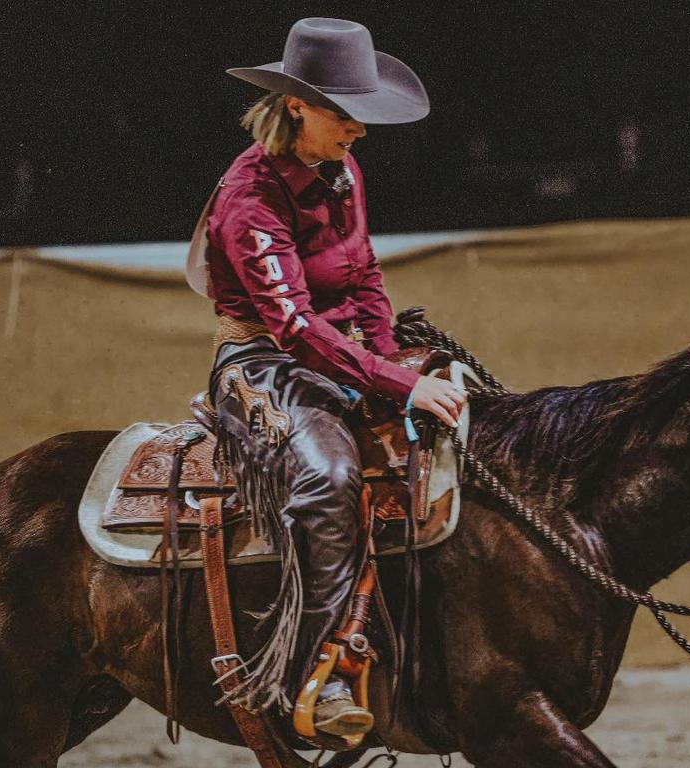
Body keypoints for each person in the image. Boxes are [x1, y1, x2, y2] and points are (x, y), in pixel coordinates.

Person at [185, 17, 466, 737]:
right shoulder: (250, 197)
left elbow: (365, 272)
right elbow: (295, 329)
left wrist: (386, 359)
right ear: (299, 107)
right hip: (263, 366)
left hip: (338, 355)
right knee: (329, 478)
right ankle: (321, 671)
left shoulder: (343, 170)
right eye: (347, 115)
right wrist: (397, 385)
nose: (360, 132)